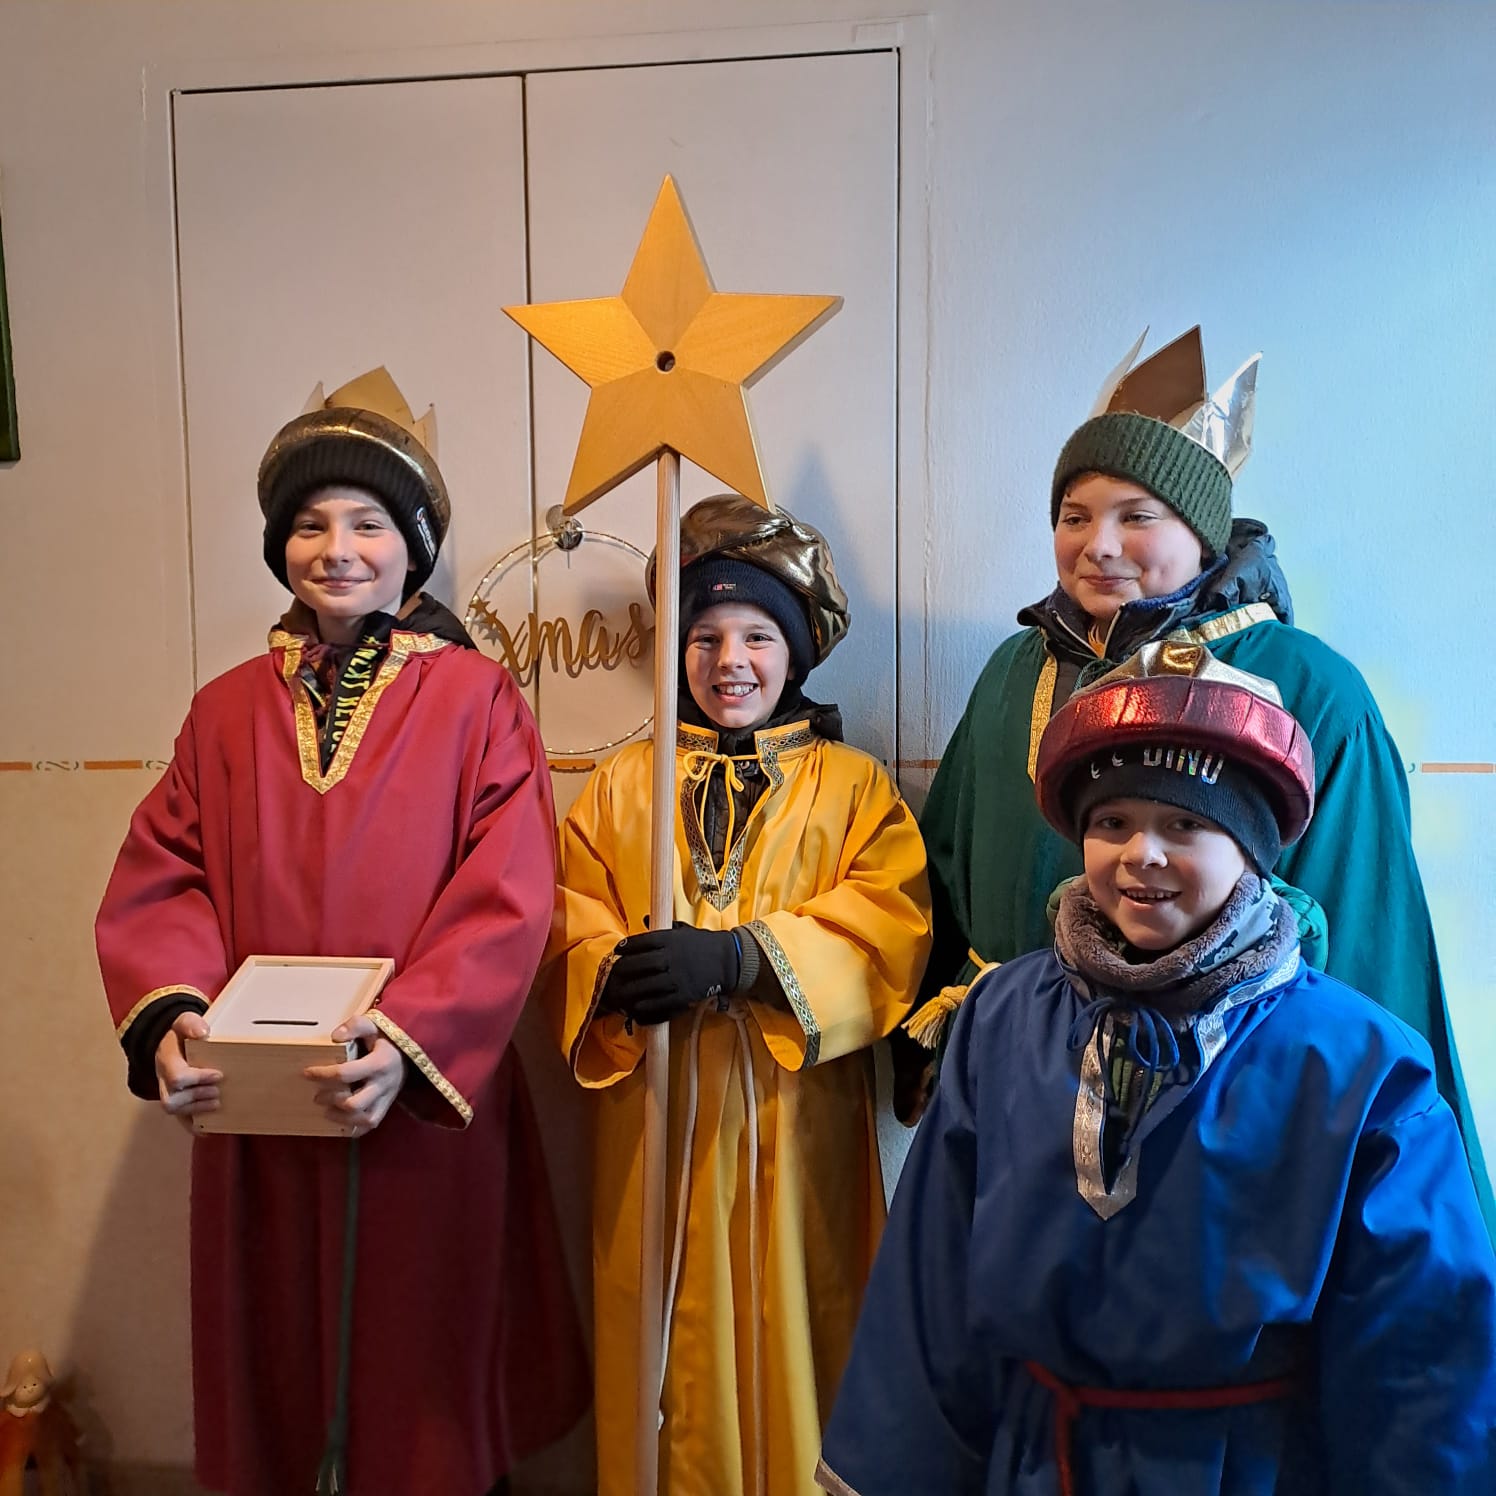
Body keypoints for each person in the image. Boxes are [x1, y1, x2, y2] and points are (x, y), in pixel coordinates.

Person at [819, 641, 1496, 1496]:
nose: (1142, 853)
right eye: (1112, 822)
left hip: (1251, 1469)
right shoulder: (1002, 1019)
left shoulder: (1357, 1065)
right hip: (1036, 1463)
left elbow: (1421, 1356)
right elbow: (930, 1294)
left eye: (1186, 825)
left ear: (1251, 847)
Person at [95, 369, 588, 1496]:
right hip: (259, 1098)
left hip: (412, 1086)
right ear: (279, 546)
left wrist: (409, 1038)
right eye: (310, 524)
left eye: (368, 523)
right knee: (277, 1348)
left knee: (426, 1361)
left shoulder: (478, 700)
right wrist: (172, 1015)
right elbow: (162, 873)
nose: (338, 549)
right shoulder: (223, 710)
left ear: (414, 547)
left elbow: (511, 888)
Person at [902, 327, 1493, 1232]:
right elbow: (943, 866)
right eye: (1074, 516)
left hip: (1229, 1113)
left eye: (1137, 516)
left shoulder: (1309, 687)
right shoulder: (1013, 673)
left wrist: (1364, 1137)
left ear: (1201, 529)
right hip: (1022, 1097)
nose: (1099, 546)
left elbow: (1369, 933)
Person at [545, 494, 932, 1496]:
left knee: (802, 1322)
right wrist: (613, 972)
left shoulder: (854, 786)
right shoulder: (624, 783)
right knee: (664, 1336)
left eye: (757, 635)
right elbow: (570, 916)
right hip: (658, 1120)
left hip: (794, 1124)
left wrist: (745, 962)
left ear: (794, 651)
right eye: (704, 637)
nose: (730, 661)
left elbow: (890, 922)